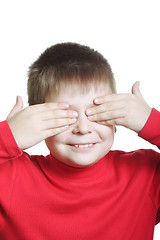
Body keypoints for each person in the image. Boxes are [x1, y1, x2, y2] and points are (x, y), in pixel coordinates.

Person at [0, 43, 160, 240]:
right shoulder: (10, 178)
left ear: (118, 118)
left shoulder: (146, 174)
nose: (83, 129)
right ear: (37, 122)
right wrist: (7, 136)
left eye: (98, 113)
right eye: (66, 116)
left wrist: (152, 122)